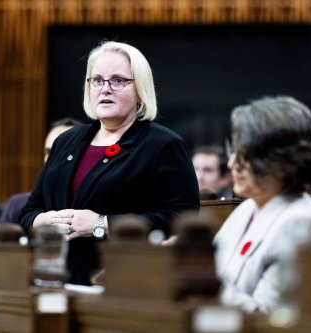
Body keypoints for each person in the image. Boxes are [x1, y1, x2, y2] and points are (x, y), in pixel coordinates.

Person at [19, 41, 200, 286]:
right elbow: (30, 210)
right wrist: (42, 221)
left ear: (140, 90)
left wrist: (101, 224)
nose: (105, 89)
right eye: (97, 80)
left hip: (120, 280)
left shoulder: (163, 145)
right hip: (53, 275)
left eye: (118, 81)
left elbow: (181, 218)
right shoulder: (66, 141)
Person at [213, 96, 311, 313]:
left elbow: (268, 317)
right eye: (234, 153)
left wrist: (205, 284)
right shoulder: (247, 208)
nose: (232, 165)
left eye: (246, 156)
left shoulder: (297, 222)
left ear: (283, 162)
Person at [0, 117, 84, 266]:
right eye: (48, 152)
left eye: (62, 151)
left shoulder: (90, 213)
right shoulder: (18, 205)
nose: (51, 160)